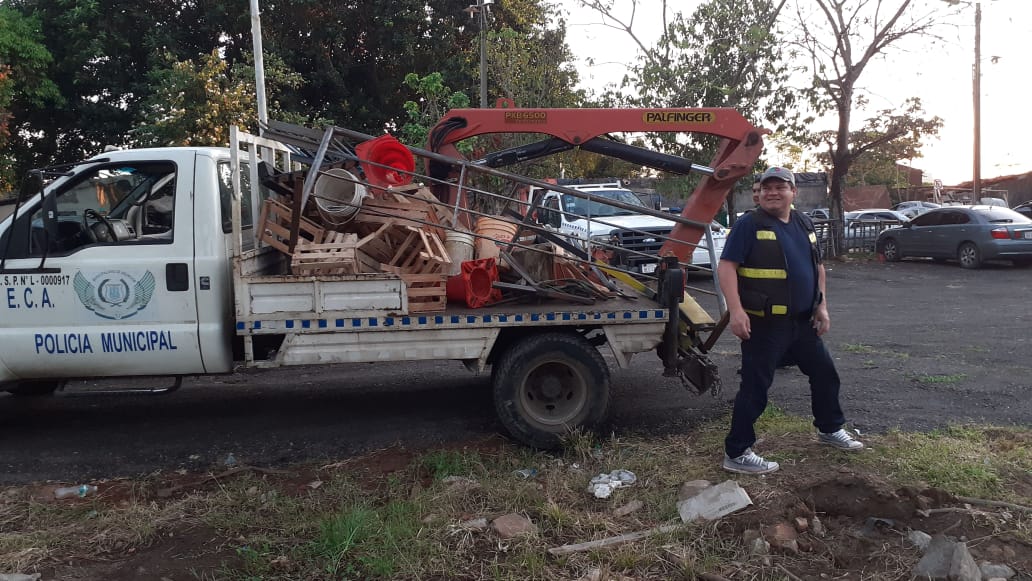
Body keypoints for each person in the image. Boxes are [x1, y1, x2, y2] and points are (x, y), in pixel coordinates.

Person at [717, 166, 862, 475]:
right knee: (755, 387)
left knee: (825, 374)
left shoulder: (803, 222)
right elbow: (727, 267)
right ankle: (737, 452)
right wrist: (737, 310)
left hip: (802, 322)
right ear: (758, 193)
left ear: (793, 192)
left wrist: (821, 306)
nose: (772, 192)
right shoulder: (748, 225)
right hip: (764, 325)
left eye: (780, 187)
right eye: (766, 187)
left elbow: (818, 267)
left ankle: (829, 429)